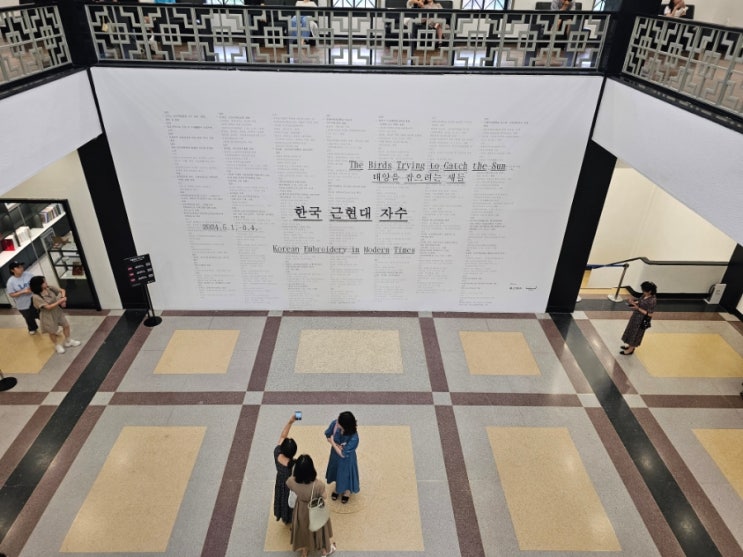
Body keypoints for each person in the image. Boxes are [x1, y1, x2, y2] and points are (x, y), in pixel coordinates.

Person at [286, 454, 336, 557]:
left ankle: (304, 550)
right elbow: (325, 496)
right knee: (320, 530)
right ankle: (325, 551)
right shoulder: (318, 485)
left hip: (301, 509)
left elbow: (289, 484)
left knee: (303, 529)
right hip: (315, 509)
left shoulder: (291, 482)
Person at [29, 275, 81, 355]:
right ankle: (57, 345)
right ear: (39, 285)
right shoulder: (36, 296)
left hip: (57, 311)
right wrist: (60, 301)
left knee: (66, 325)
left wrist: (63, 298)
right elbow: (48, 307)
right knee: (52, 331)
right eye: (44, 282)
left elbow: (62, 290)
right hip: (47, 315)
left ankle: (68, 341)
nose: (46, 283)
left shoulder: (49, 288)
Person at [324, 411, 359, 504]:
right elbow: (328, 435)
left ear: (345, 426)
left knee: (346, 474)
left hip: (347, 459)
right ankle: (338, 487)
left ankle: (347, 491)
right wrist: (337, 445)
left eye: (339, 422)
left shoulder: (354, 437)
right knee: (337, 471)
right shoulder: (335, 424)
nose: (336, 422)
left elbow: (343, 454)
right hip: (335, 456)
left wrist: (333, 443)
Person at [620, 281, 657, 356]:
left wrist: (638, 308)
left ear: (650, 291)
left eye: (644, 291)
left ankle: (630, 350)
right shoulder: (645, 295)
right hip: (636, 317)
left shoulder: (652, 300)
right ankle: (630, 346)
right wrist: (633, 302)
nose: (643, 292)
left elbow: (650, 314)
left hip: (641, 320)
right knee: (631, 331)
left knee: (636, 334)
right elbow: (640, 301)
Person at [274, 413, 299, 524]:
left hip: (280, 482)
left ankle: (284, 517)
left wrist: (290, 421)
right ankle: (291, 518)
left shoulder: (277, 453)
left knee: (282, 499)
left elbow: (282, 437)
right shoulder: (294, 464)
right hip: (291, 486)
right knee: (291, 501)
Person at [6, 261, 39, 335]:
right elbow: (11, 294)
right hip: (23, 304)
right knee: (28, 317)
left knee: (41, 314)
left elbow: (36, 282)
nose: (21, 268)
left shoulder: (28, 274)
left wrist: (32, 288)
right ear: (12, 270)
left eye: (21, 266)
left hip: (34, 299)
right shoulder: (10, 282)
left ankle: (49, 326)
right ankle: (32, 328)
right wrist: (23, 292)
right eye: (18, 267)